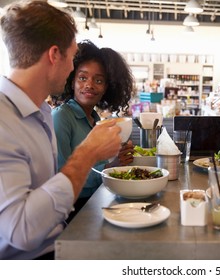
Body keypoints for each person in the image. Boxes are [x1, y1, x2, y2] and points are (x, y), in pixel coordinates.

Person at [0, 1, 123, 259]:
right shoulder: (5, 120)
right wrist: (87, 152)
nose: (71, 69)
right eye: (71, 57)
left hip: (60, 241)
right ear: (55, 55)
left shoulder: (40, 113)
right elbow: (21, 231)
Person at [51, 40, 135, 220]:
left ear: (107, 88)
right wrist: (108, 168)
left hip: (94, 204)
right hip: (72, 213)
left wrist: (117, 157)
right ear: (71, 81)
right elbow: (60, 176)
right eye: (82, 78)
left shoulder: (95, 119)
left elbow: (96, 166)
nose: (89, 85)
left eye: (98, 80)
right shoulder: (61, 117)